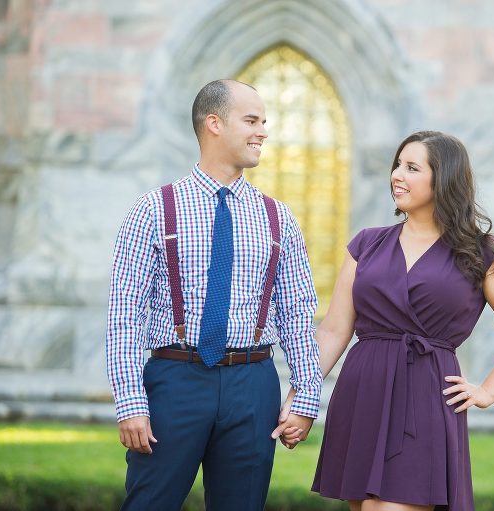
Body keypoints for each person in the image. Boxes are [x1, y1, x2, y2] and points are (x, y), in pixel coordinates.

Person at [282, 130, 494, 510]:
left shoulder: (481, 252)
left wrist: (487, 391)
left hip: (426, 394)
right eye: (397, 165)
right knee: (365, 506)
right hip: (363, 388)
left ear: (444, 179)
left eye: (412, 167)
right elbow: (335, 330)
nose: (396, 175)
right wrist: (301, 393)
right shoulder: (366, 244)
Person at [105, 79, 322, 511]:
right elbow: (124, 314)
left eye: (265, 122)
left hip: (252, 383)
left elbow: (297, 313)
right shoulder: (153, 210)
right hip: (175, 379)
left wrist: (307, 396)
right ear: (214, 123)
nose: (263, 131)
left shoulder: (278, 218)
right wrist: (130, 402)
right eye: (252, 120)